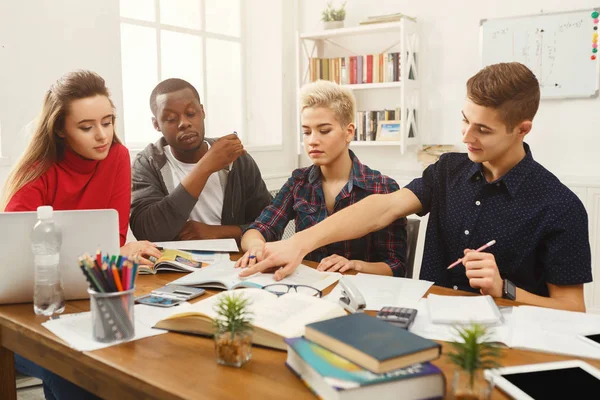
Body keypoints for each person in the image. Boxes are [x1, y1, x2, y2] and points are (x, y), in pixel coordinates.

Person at [240, 62, 592, 312]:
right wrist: (299, 243)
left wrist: (505, 289)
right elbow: (384, 208)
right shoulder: (448, 171)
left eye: (482, 130)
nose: (465, 137)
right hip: (425, 324)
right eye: (465, 121)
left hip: (503, 341)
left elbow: (570, 308)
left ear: (522, 129)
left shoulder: (559, 206)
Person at [2, 70, 161, 400]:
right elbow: (13, 259)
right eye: (87, 127)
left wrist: (123, 249)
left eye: (108, 121)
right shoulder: (37, 172)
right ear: (60, 129)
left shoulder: (117, 157)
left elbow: (112, 239)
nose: (102, 135)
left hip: (89, 302)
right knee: (74, 374)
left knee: (135, 362)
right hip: (28, 315)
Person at [236, 80, 407, 276]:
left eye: (324, 131)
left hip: (360, 294)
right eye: (306, 132)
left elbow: (397, 266)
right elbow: (260, 227)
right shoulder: (298, 182)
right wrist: (256, 245)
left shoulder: (382, 187)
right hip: (306, 288)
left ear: (349, 132)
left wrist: (355, 265)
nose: (313, 141)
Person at [130, 78, 272, 243]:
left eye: (191, 113)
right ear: (156, 124)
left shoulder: (237, 159)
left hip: (235, 263)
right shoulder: (148, 163)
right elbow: (148, 232)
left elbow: (271, 225)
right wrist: (205, 166)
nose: (184, 123)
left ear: (202, 112)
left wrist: (217, 232)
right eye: (170, 119)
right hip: (173, 266)